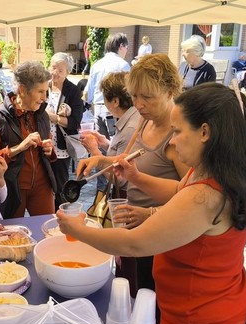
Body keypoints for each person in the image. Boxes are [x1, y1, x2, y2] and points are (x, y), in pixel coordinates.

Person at [60, 82, 246, 324]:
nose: (171, 141)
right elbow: (176, 191)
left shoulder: (206, 196)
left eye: (177, 131)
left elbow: (135, 243)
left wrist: (77, 230)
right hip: (198, 309)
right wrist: (136, 177)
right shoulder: (209, 170)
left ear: (205, 132)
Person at [77, 54, 189, 297]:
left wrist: (149, 213)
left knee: (148, 304)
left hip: (161, 240)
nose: (139, 105)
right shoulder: (144, 122)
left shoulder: (178, 135)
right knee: (127, 296)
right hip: (132, 227)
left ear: (170, 90)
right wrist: (100, 159)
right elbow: (127, 166)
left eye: (147, 97)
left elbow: (190, 194)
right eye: (135, 96)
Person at [0, 61, 57, 219]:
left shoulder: (42, 115)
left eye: (46, 92)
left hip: (42, 186)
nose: (44, 98)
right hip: (12, 188)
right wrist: (19, 147)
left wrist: (49, 149)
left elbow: (50, 151)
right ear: (22, 90)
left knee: (47, 230)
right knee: (11, 237)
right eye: (40, 91)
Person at [46, 52, 84, 208]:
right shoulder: (44, 86)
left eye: (60, 70)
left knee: (60, 184)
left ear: (68, 72)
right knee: (45, 185)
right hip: (44, 145)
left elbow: (75, 121)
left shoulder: (72, 91)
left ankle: (61, 214)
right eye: (53, 67)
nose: (55, 72)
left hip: (61, 147)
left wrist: (54, 118)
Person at [86, 33, 130, 139]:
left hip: (97, 108)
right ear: (121, 46)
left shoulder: (97, 64)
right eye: (126, 48)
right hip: (115, 109)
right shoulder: (123, 65)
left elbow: (88, 92)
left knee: (101, 144)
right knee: (114, 144)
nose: (126, 51)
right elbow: (129, 91)